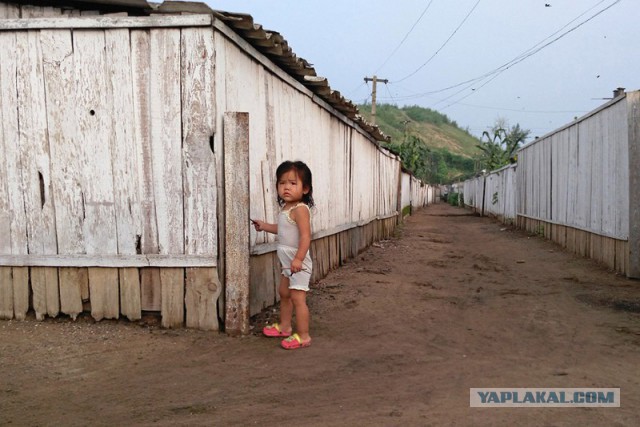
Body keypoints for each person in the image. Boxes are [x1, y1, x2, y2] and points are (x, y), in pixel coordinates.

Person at [251, 160, 314, 350]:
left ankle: (303, 335)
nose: (286, 187)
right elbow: (282, 229)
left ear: (305, 189)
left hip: (297, 263)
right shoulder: (286, 209)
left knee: (298, 298)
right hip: (288, 263)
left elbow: (305, 236)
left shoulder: (300, 209)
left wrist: (298, 259)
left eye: (293, 183)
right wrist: (264, 226)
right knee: (284, 293)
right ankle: (285, 327)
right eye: (282, 183)